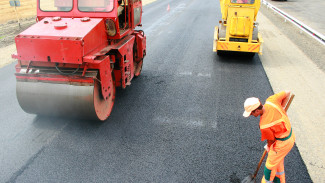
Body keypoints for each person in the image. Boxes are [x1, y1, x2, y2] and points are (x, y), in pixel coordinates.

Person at [243, 91, 295, 183]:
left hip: (283, 143)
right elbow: (287, 93)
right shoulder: (271, 100)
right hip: (290, 135)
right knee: (278, 162)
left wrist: (269, 147)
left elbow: (271, 141)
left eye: (251, 113)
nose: (251, 115)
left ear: (257, 110)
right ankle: (279, 181)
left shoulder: (264, 125)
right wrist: (282, 107)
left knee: (269, 166)